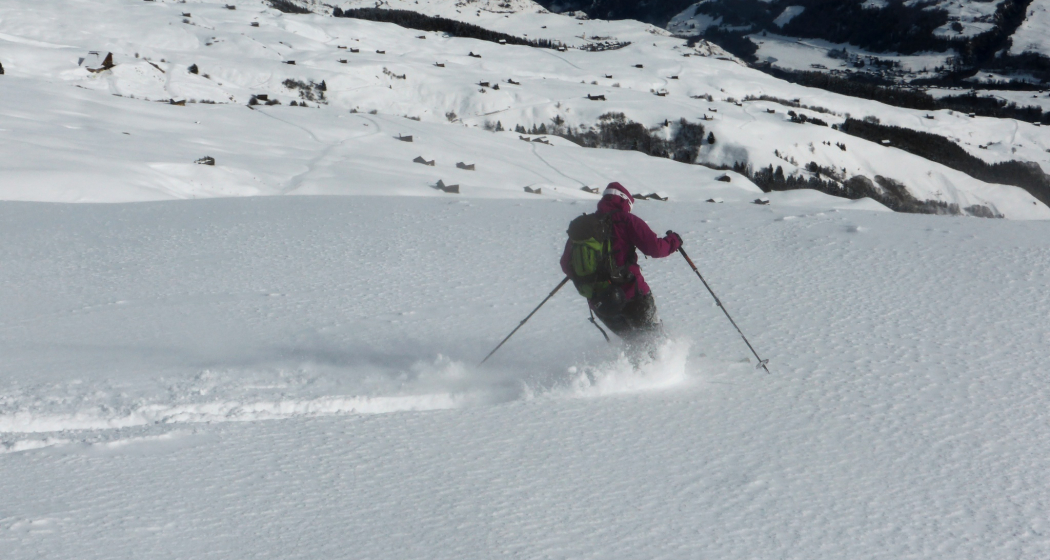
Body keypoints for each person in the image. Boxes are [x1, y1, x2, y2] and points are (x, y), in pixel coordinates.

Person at [560, 182, 682, 351]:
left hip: (601, 302)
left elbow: (566, 265)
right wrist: (674, 241)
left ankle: (632, 374)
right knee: (655, 340)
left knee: (634, 344)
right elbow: (655, 248)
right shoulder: (626, 220)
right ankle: (666, 372)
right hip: (633, 294)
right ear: (624, 201)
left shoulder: (583, 227)